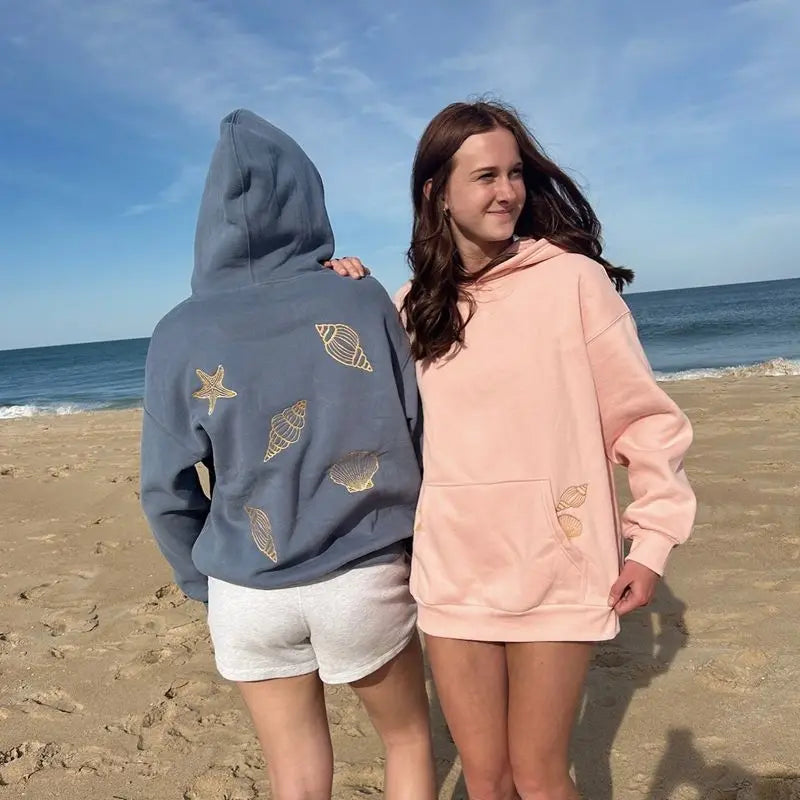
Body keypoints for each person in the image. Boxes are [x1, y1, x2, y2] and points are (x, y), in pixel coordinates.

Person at [326, 99, 696, 800]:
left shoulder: (573, 281)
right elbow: (361, 417)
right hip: (452, 567)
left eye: (515, 173)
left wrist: (650, 542)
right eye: (485, 176)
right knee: (487, 780)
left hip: (556, 560)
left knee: (538, 776)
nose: (507, 192)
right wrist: (338, 300)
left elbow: (645, 420)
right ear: (437, 193)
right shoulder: (408, 307)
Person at [139, 109, 436, 800]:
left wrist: (203, 583)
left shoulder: (178, 332)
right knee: (408, 741)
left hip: (245, 591)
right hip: (361, 573)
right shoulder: (359, 298)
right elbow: (415, 431)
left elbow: (164, 490)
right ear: (308, 196)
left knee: (295, 779)